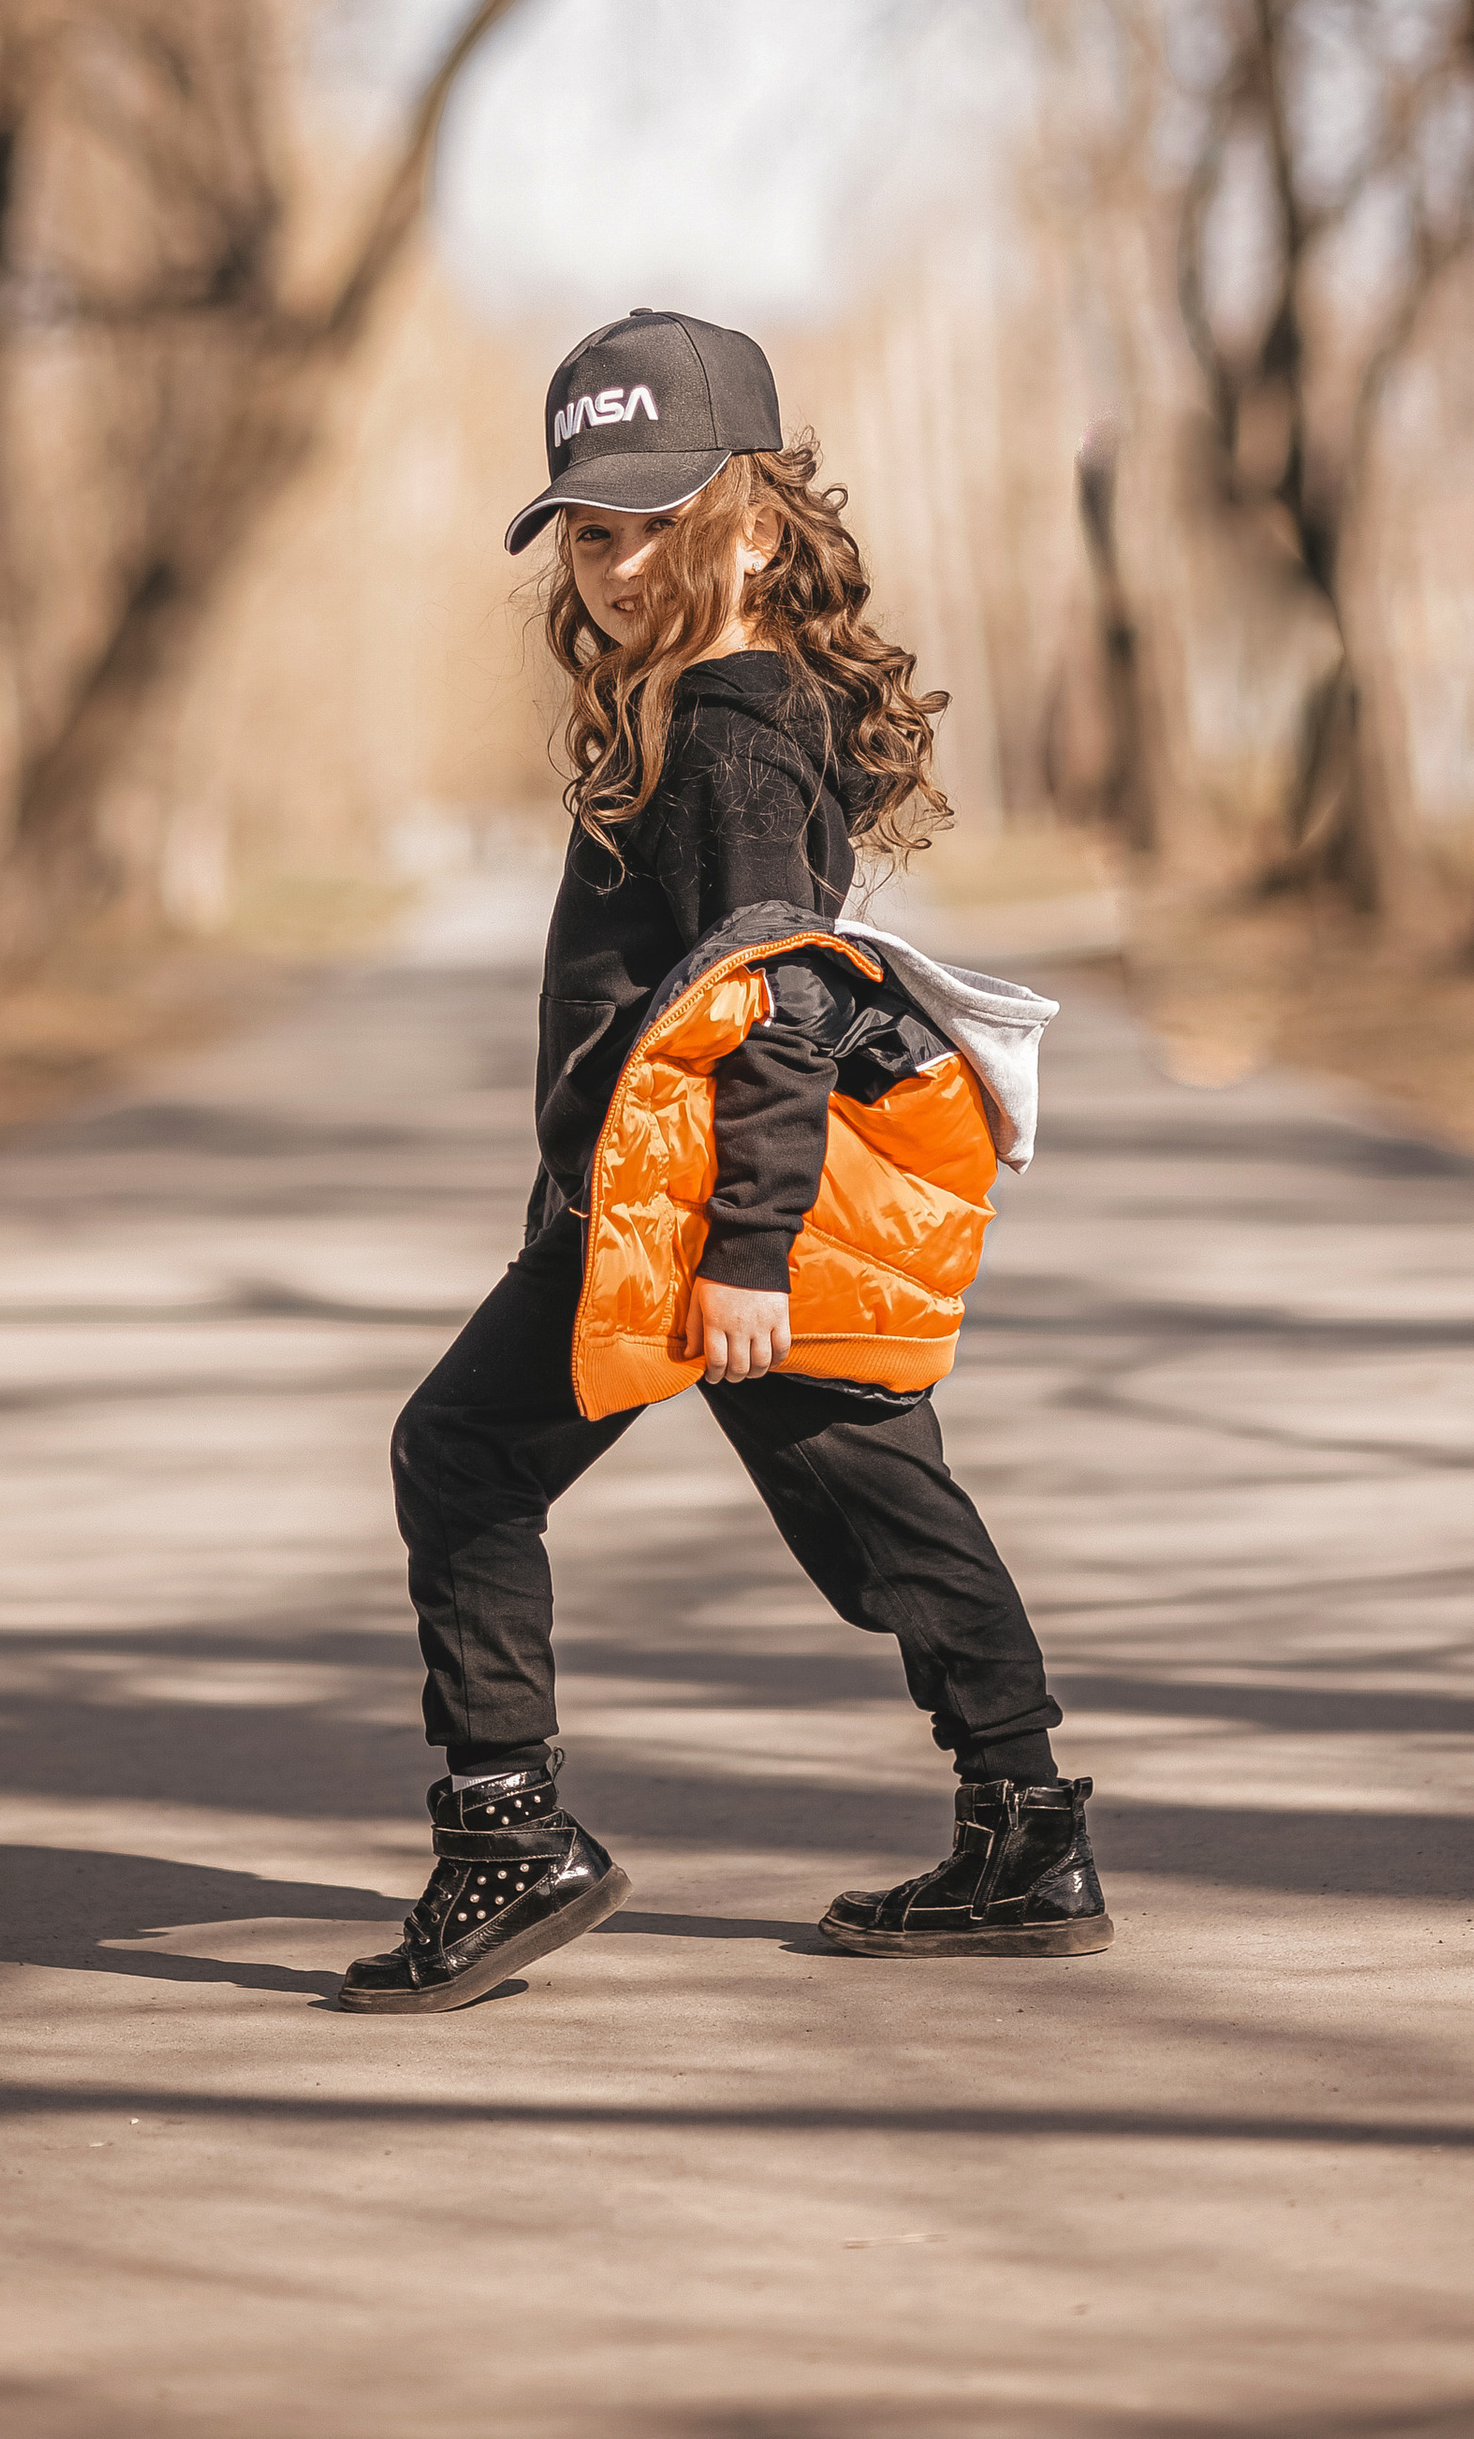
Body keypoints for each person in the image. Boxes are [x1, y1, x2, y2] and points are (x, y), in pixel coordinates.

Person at [339, 307, 1108, 2015]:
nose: (614, 566)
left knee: (459, 1454)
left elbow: (776, 1002)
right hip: (684, 1201)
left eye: (652, 522)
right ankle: (1027, 1829)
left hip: (713, 1210)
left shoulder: (732, 727)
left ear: (756, 518)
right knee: (886, 1509)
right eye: (588, 532)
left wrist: (743, 1248)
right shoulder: (707, 703)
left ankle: (506, 1834)